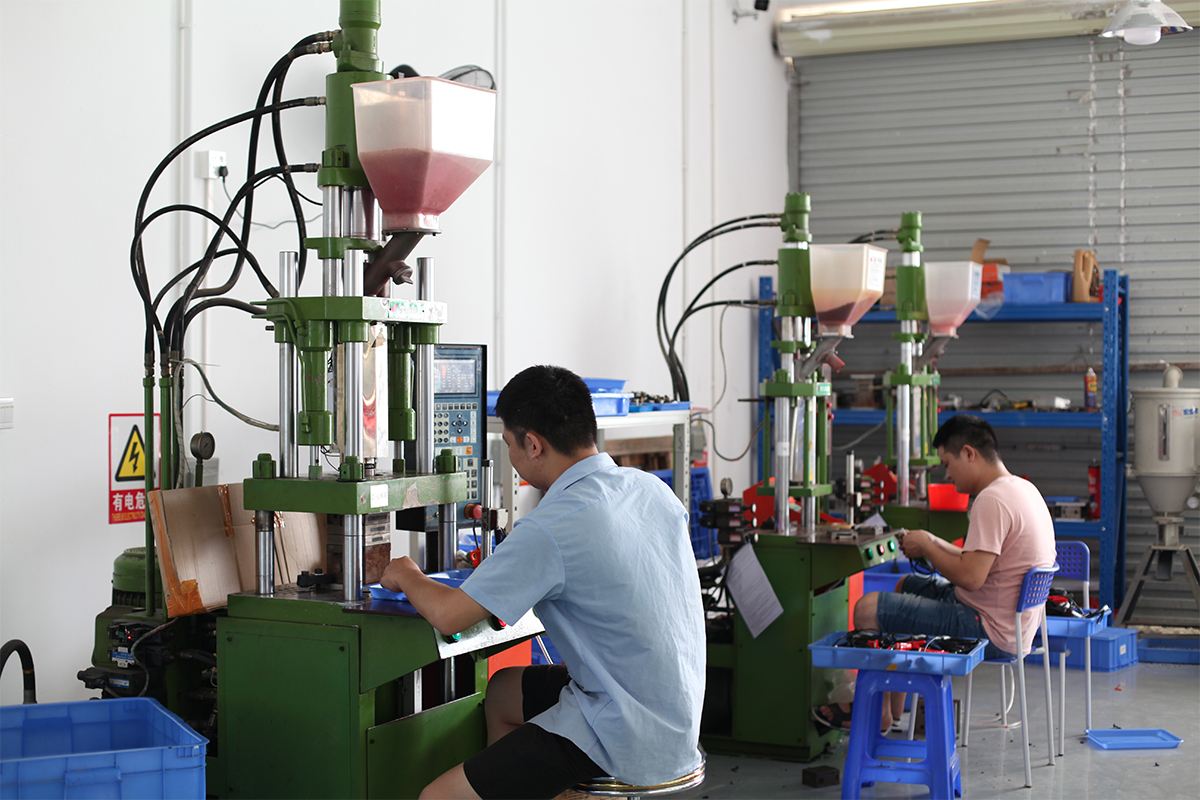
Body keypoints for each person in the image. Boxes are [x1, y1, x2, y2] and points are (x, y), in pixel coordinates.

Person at [380, 365, 706, 800]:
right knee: (501, 692)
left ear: (533, 444)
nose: (512, 456)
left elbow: (448, 615)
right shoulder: (650, 490)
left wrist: (406, 573)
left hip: (622, 728)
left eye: (509, 445)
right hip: (674, 711)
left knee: (436, 797)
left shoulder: (552, 525)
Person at [813, 413, 1056, 733]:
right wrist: (931, 541)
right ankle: (893, 708)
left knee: (867, 608)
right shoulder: (1023, 489)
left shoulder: (991, 499)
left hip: (988, 628)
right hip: (1011, 625)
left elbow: (971, 577)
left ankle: (873, 710)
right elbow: (978, 561)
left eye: (947, 464)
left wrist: (928, 548)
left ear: (969, 453)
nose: (948, 475)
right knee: (904, 584)